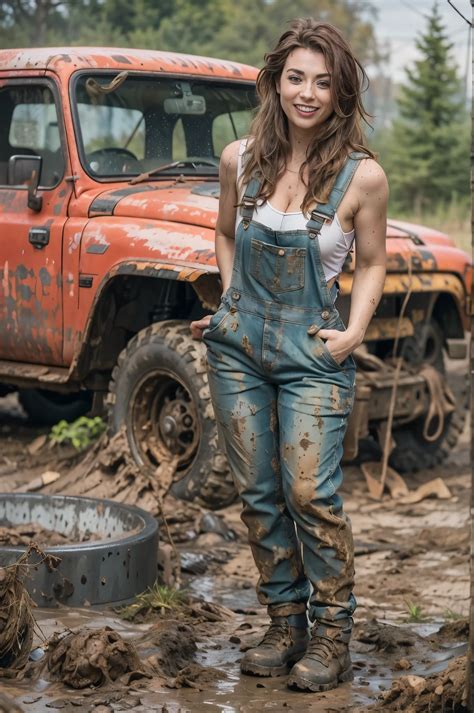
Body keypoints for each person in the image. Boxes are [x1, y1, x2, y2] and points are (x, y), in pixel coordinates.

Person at [191, 17, 388, 693]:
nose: (307, 93)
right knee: (260, 492)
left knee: (310, 492)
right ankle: (285, 623)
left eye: (323, 82)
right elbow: (222, 235)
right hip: (239, 349)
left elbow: (372, 264)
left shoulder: (363, 177)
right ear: (275, 83)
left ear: (341, 93)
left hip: (312, 351)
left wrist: (355, 330)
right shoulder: (239, 158)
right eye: (296, 78)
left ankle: (333, 632)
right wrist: (228, 299)